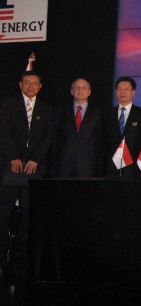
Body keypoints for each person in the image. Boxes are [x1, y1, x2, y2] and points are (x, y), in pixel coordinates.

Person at [0, 71, 52, 300]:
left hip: (34, 167)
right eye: (27, 82)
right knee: (4, 211)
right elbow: (4, 132)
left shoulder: (46, 108)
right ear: (21, 84)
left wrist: (35, 159)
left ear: (40, 86)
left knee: (29, 213)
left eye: (35, 83)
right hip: (11, 166)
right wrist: (13, 156)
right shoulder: (8, 104)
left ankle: (22, 253)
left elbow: (47, 137)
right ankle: (2, 253)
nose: (31, 86)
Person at [52, 78, 105, 177]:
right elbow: (55, 138)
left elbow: (100, 141)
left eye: (84, 87)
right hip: (63, 164)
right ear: (72, 91)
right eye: (77, 87)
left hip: (88, 165)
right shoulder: (61, 111)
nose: (80, 90)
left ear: (89, 92)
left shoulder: (98, 113)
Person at [104, 76, 141, 176]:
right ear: (116, 92)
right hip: (111, 167)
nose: (122, 92)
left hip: (133, 167)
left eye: (126, 89)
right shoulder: (107, 114)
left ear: (133, 92)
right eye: (119, 89)